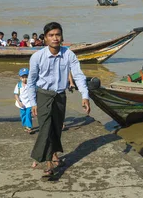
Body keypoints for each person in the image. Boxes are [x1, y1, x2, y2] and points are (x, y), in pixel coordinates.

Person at [28, 22, 90, 178]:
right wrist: (33, 103)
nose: (55, 38)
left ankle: (54, 154)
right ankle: (48, 164)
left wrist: (85, 95)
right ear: (45, 38)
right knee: (46, 128)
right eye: (51, 35)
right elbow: (31, 81)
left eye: (57, 35)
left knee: (56, 128)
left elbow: (78, 75)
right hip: (43, 95)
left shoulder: (69, 54)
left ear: (62, 37)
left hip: (60, 96)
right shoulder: (37, 57)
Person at [14, 68, 35, 134]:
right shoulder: (18, 85)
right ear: (20, 78)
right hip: (22, 103)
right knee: (23, 115)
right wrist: (19, 102)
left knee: (28, 114)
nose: (25, 79)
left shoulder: (31, 84)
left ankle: (29, 127)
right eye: (23, 77)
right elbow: (16, 94)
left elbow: (36, 92)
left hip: (29, 103)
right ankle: (26, 125)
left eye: (26, 77)